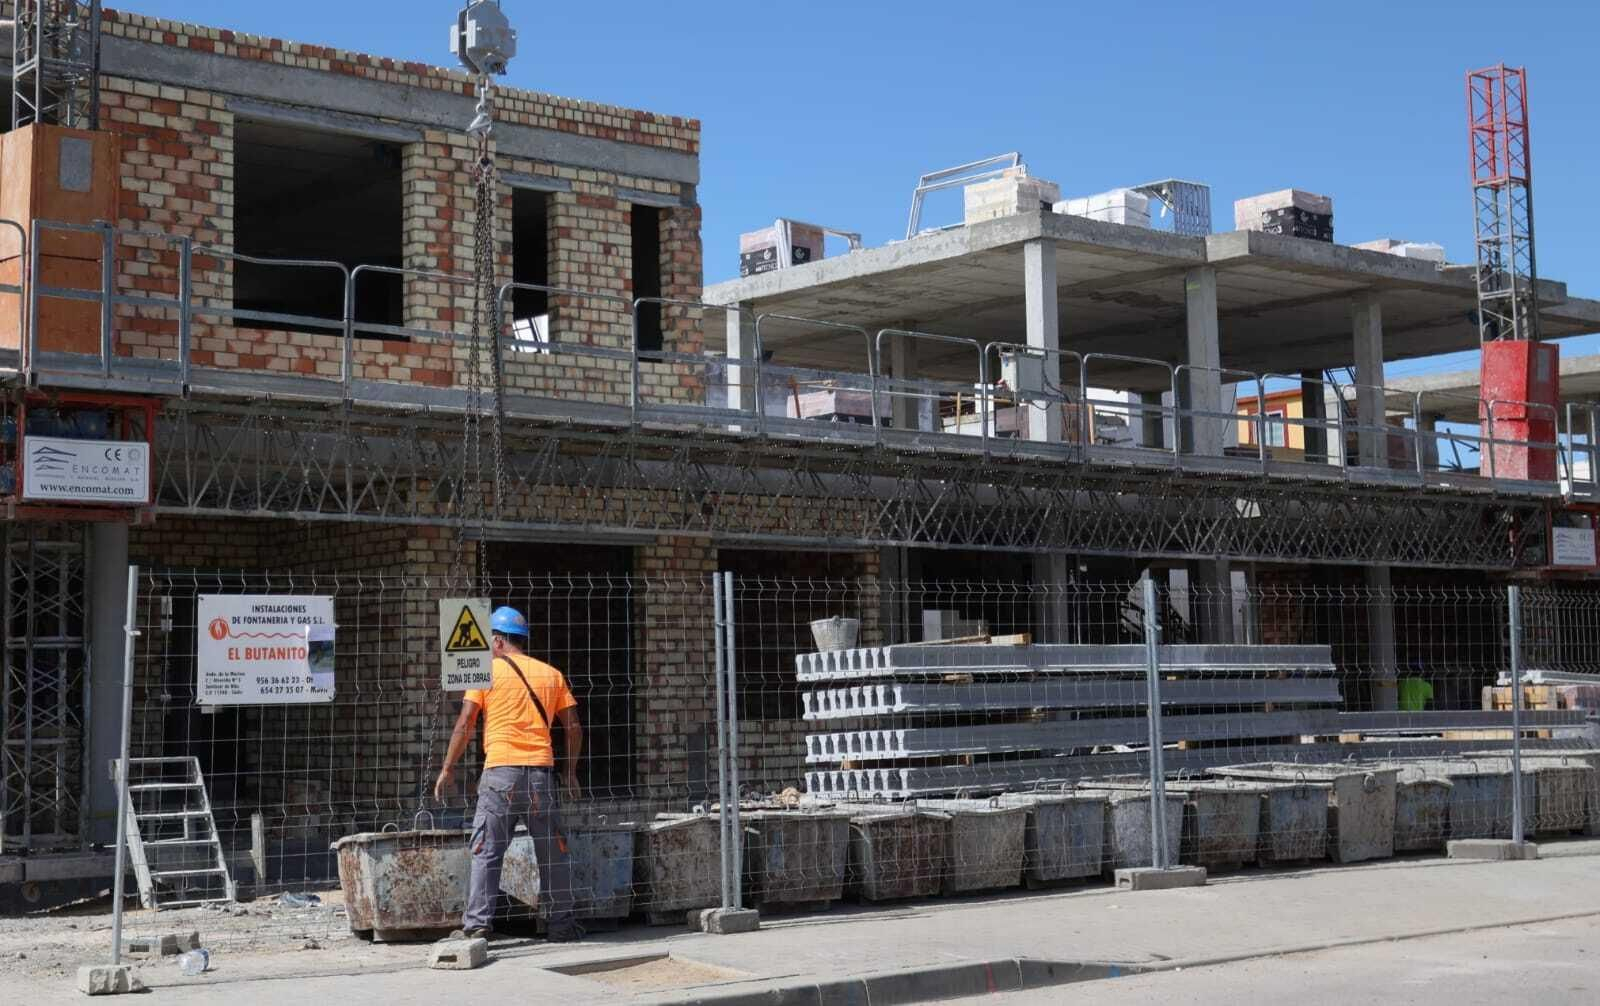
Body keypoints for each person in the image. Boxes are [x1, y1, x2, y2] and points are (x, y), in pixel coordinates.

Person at [434, 605, 583, 941]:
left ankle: (477, 927)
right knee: (553, 852)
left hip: (500, 774)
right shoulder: (551, 674)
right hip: (541, 777)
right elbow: (573, 726)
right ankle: (561, 926)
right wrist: (570, 771)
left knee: (486, 851)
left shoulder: (485, 673)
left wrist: (447, 767)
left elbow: (465, 723)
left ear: (498, 641)